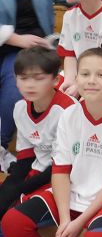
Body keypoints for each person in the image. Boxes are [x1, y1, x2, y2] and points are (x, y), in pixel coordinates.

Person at [0, 48, 102, 237]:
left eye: (101, 75)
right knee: (13, 221)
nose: (91, 80)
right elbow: (60, 171)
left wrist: (79, 222)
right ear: (75, 78)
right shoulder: (70, 114)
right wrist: (65, 220)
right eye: (85, 74)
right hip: (71, 193)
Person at [0, 0, 65, 163]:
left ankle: (1, 144)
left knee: (16, 80)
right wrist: (17, 38)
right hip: (9, 44)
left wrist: (100, 1)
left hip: (36, 49)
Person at [0, 47, 77, 219]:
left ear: (56, 80)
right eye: (23, 78)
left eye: (39, 78)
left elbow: (65, 165)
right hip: (37, 172)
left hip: (64, 178)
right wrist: (12, 186)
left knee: (13, 219)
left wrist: (20, 188)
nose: (30, 84)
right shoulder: (20, 108)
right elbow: (25, 156)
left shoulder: (68, 111)